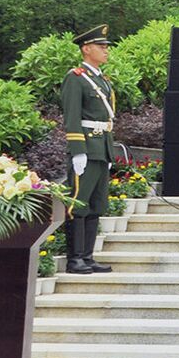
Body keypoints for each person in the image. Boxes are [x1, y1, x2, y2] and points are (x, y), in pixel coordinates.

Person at [60, 24, 116, 275]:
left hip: (101, 147)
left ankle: (88, 257)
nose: (106, 51)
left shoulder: (101, 80)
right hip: (86, 147)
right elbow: (72, 116)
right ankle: (75, 259)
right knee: (78, 204)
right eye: (101, 46)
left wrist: (109, 149)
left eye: (106, 47)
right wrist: (77, 150)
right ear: (86, 48)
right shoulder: (76, 78)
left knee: (96, 203)